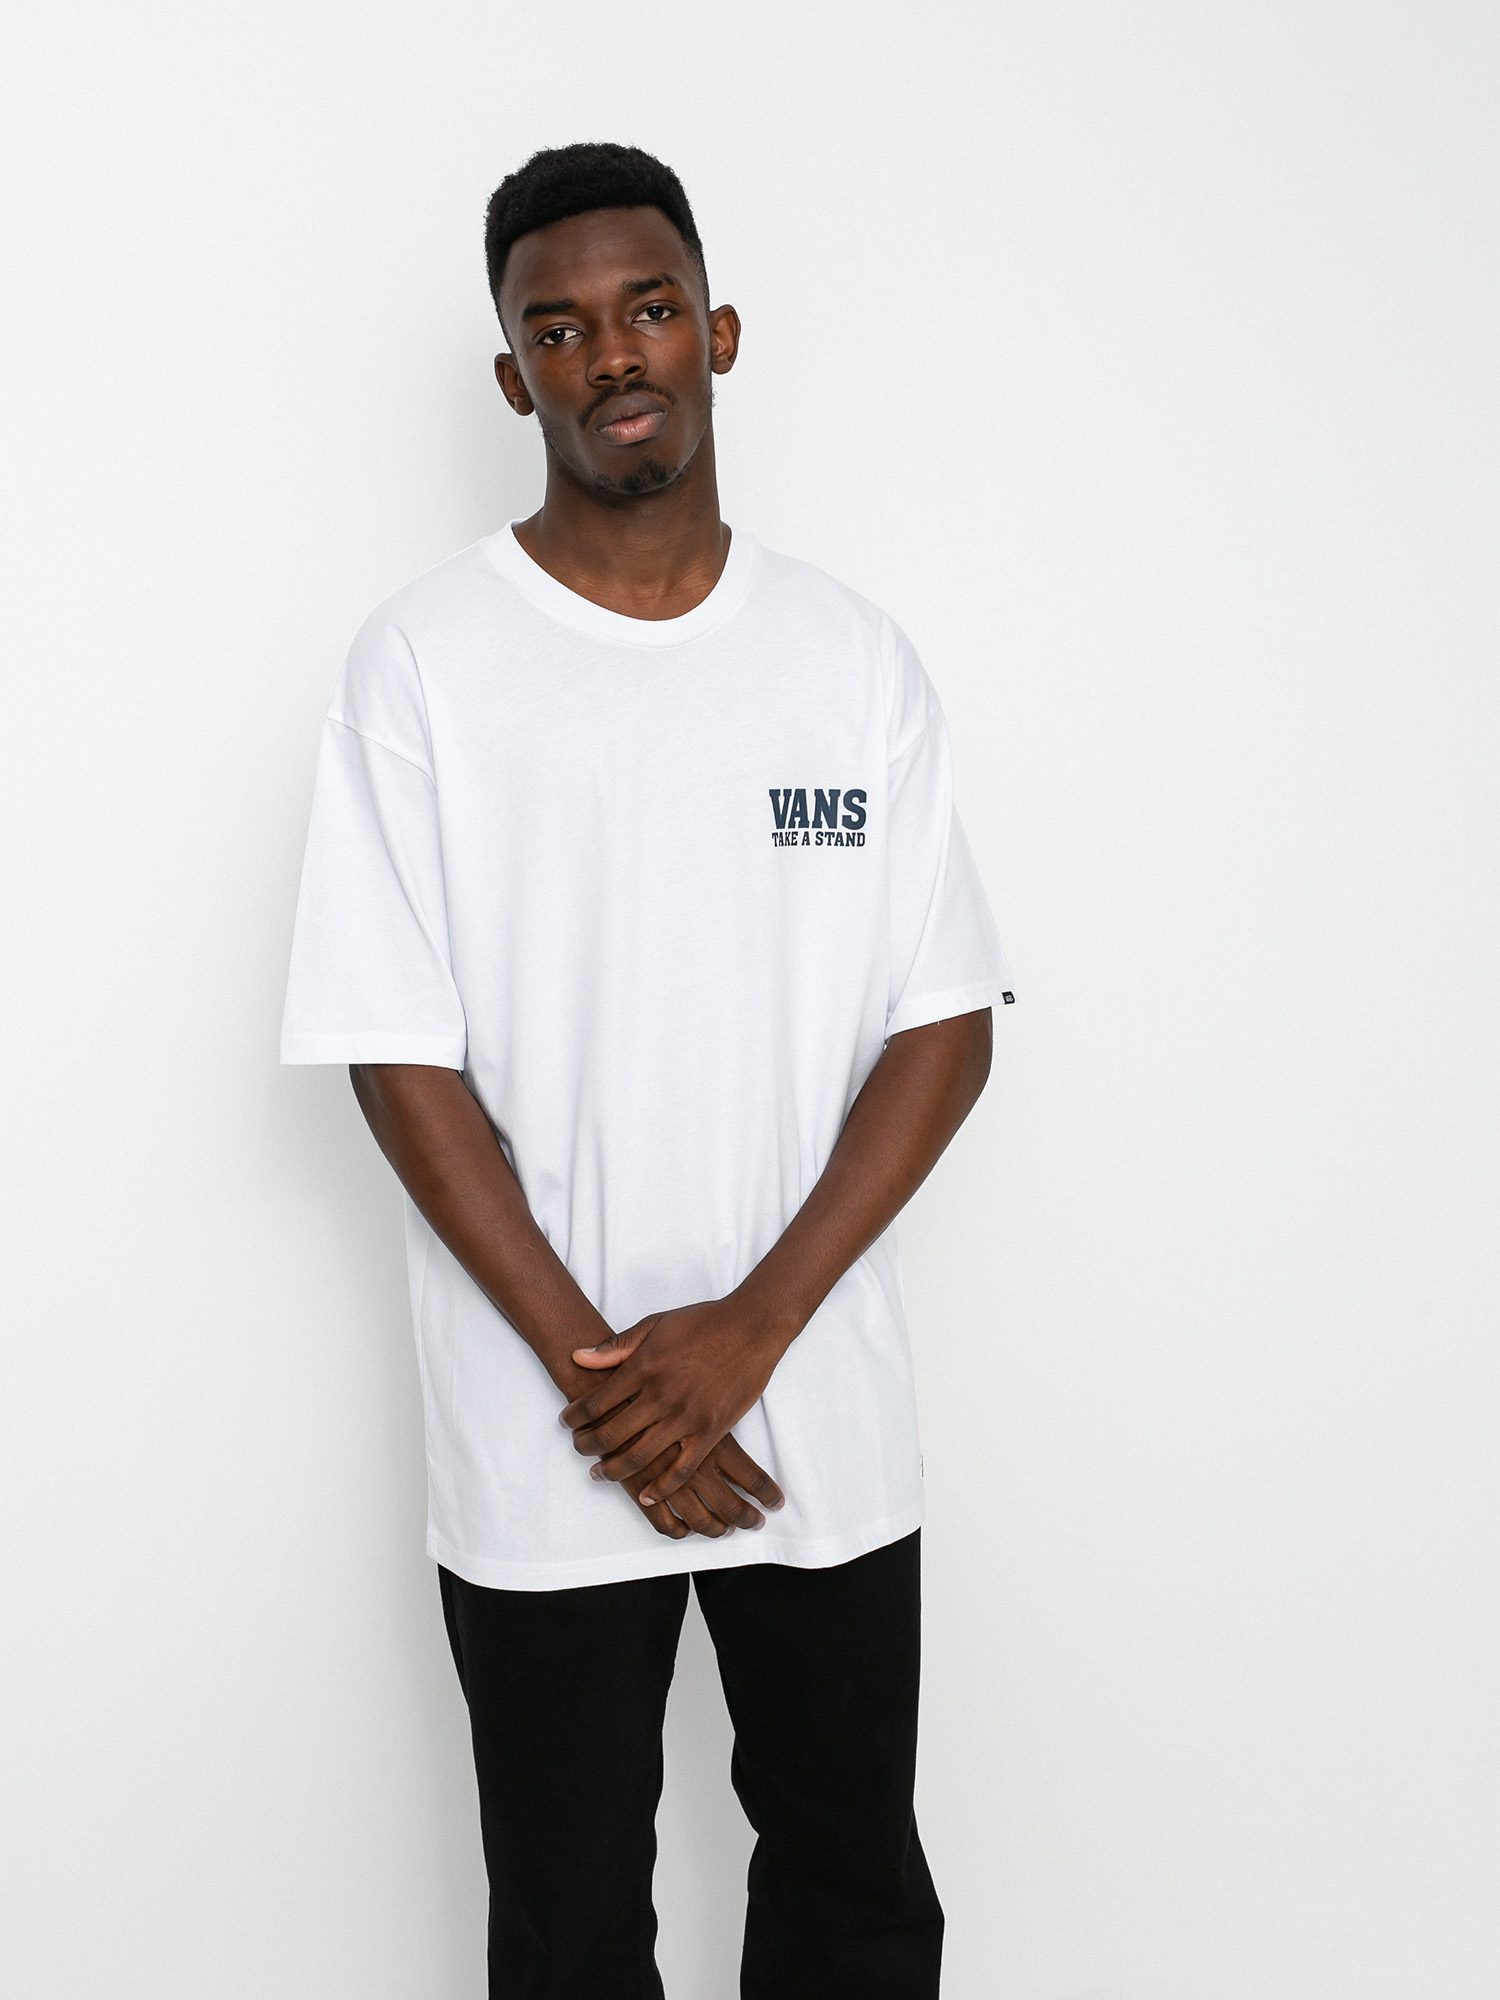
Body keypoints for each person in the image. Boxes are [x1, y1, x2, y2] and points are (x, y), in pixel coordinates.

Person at [281, 141, 1015, 2000]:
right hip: (544, 1436)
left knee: (852, 1883)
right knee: (569, 1916)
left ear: (720, 334)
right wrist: (611, 1383)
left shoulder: (850, 659)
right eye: (559, 328)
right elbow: (393, 1052)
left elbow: (944, 1023)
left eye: (649, 308)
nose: (611, 353)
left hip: (814, 1411)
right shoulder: (425, 663)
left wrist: (746, 1338)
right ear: (510, 376)